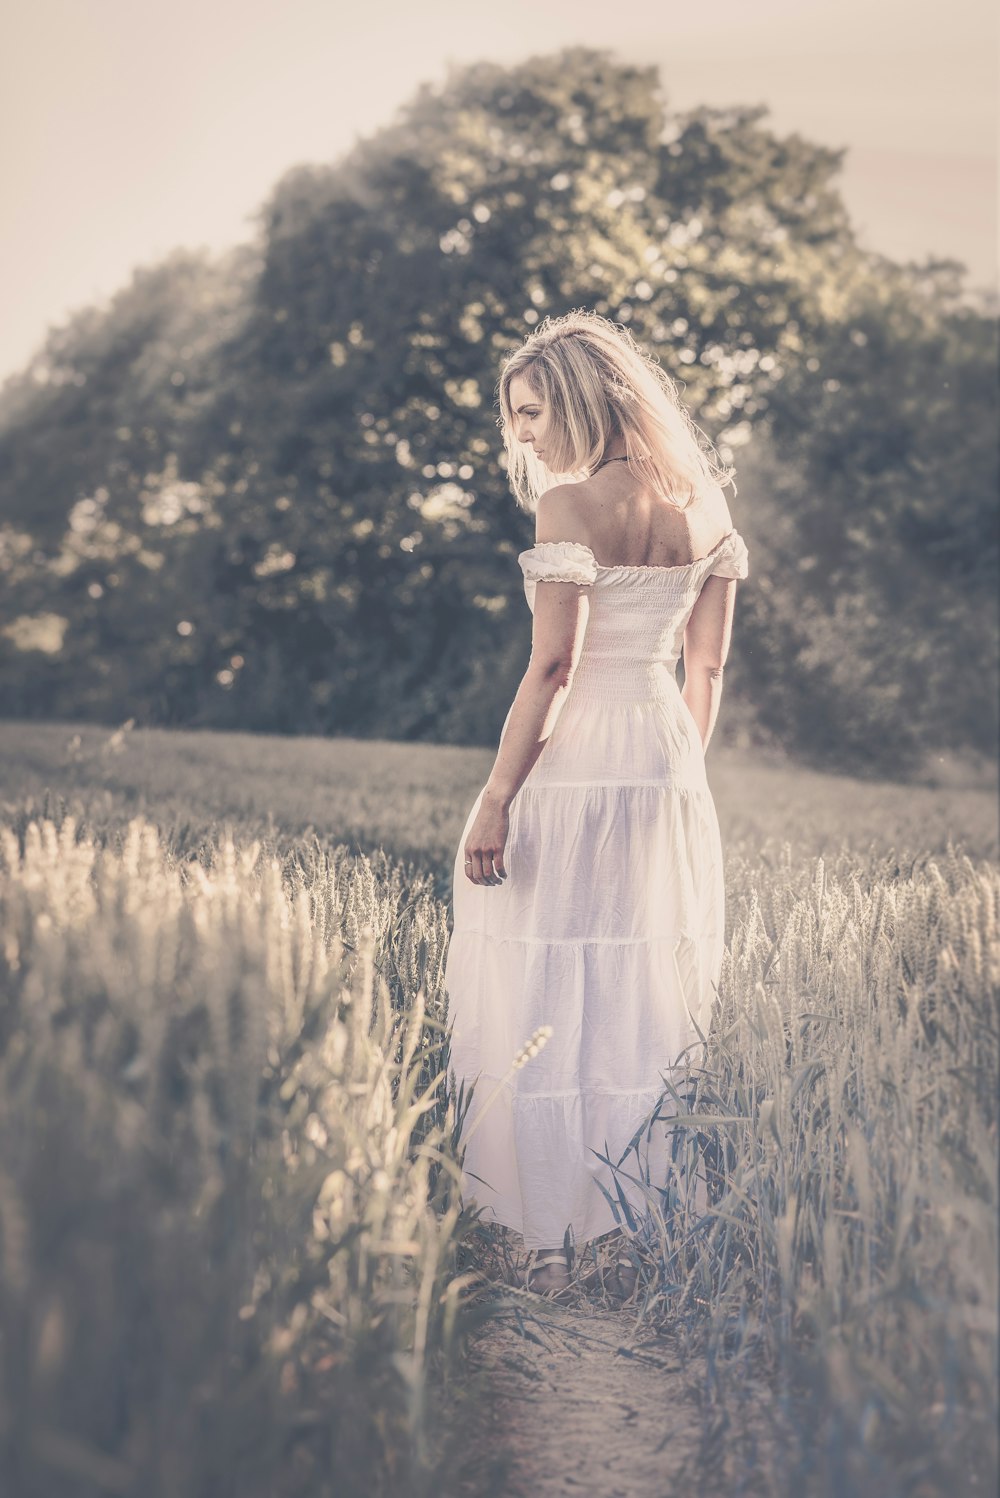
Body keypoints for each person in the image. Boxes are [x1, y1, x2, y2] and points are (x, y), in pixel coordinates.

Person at [443, 309, 749, 1297]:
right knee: (640, 979)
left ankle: (548, 1223)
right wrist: (672, 779)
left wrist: (495, 799)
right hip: (663, 754)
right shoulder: (704, 504)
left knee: (546, 973)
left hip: (577, 758)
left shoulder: (570, 508)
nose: (521, 435)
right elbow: (705, 671)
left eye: (530, 412)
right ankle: (639, 1214)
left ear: (574, 399)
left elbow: (555, 667)